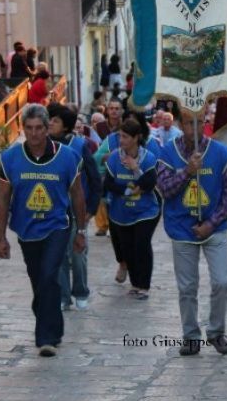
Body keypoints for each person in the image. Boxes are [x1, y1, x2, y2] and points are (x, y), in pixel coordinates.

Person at [0, 105, 87, 357]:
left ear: (47, 129)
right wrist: (1, 237)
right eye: (29, 128)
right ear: (22, 129)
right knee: (39, 280)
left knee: (49, 274)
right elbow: (3, 198)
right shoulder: (10, 158)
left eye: (39, 128)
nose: (34, 134)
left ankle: (45, 337)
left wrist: (81, 231)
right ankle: (53, 328)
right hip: (26, 229)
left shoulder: (67, 158)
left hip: (57, 225)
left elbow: (77, 194)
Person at [156, 104, 227, 356]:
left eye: (197, 121)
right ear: (180, 125)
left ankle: (216, 331)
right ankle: (191, 335)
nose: (192, 128)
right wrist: (187, 172)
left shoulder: (220, 153)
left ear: (205, 121)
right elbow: (165, 189)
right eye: (186, 122)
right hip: (181, 228)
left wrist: (212, 222)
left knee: (223, 281)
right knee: (187, 287)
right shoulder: (167, 152)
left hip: (214, 228)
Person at [47, 104, 101, 311]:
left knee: (78, 254)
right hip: (54, 212)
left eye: (56, 120)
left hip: (77, 211)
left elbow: (95, 179)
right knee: (59, 256)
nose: (50, 123)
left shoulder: (79, 145)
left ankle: (81, 291)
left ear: (67, 126)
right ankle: (63, 296)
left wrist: (91, 210)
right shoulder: (44, 146)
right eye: (50, 119)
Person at [103, 116, 161, 300]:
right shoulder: (114, 158)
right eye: (120, 137)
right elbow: (108, 183)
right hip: (120, 212)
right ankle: (135, 284)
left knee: (141, 245)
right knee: (127, 248)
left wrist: (136, 169)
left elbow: (150, 183)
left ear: (136, 138)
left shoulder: (148, 157)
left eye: (126, 137)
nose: (122, 141)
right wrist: (127, 190)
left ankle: (144, 285)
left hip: (146, 211)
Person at [92, 100, 124, 241]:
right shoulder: (99, 126)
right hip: (104, 168)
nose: (114, 111)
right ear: (107, 110)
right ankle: (102, 225)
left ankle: (118, 222)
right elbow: (97, 151)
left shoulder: (126, 126)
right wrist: (106, 156)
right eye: (111, 108)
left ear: (121, 111)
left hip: (123, 167)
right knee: (99, 187)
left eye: (117, 108)